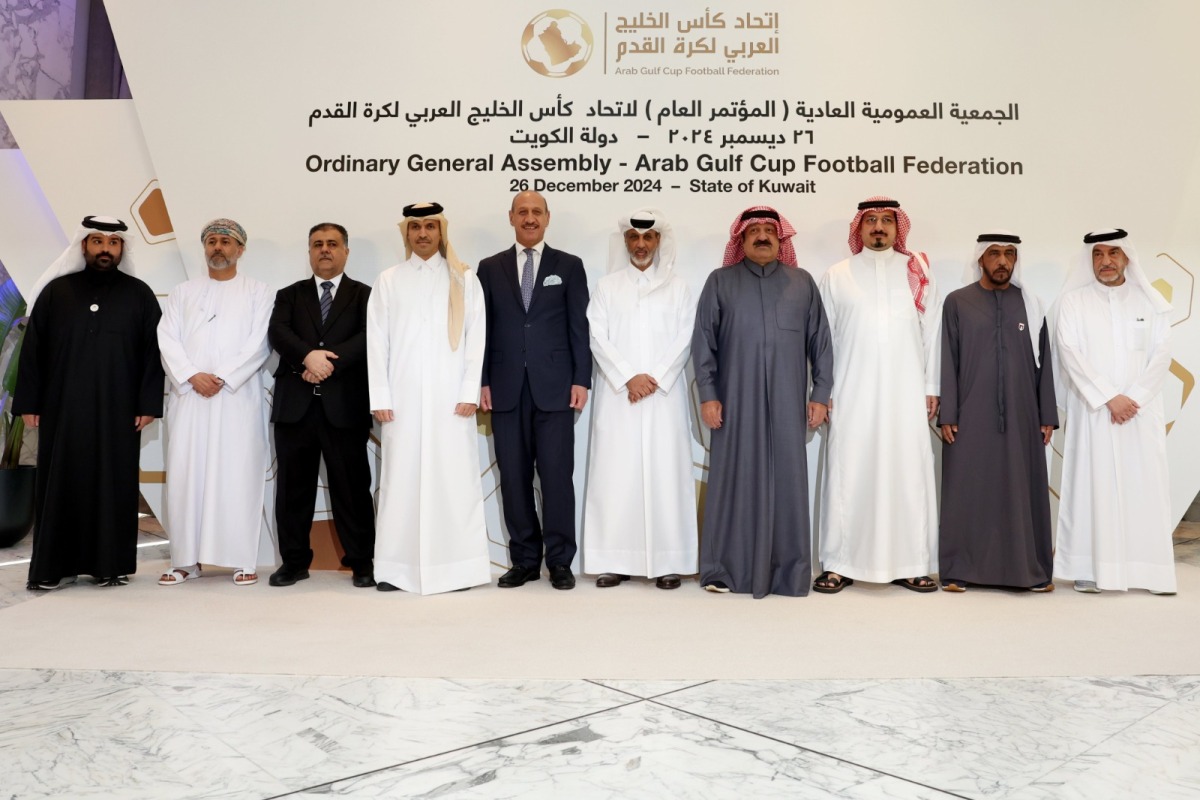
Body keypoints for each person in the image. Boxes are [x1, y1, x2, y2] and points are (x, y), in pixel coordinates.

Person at [15, 216, 164, 589]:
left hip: (119, 410)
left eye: (112, 244)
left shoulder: (140, 295)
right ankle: (53, 568)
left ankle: (108, 566)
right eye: (97, 242)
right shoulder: (57, 292)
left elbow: (152, 353)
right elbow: (33, 351)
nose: (105, 249)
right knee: (60, 481)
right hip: (63, 408)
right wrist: (30, 402)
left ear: (121, 249)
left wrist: (147, 404)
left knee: (113, 483)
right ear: (84, 246)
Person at [692, 206, 832, 598]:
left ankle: (788, 574)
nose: (763, 236)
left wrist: (820, 394)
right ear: (741, 239)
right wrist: (709, 395)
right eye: (753, 230)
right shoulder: (720, 282)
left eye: (770, 230)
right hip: (734, 401)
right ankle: (724, 571)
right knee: (732, 481)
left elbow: (821, 344)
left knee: (788, 483)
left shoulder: (801, 283)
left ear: (781, 238)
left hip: (789, 402)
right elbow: (704, 342)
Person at [815, 197, 941, 594]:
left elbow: (932, 333)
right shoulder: (837, 274)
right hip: (852, 392)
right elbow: (823, 341)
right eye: (871, 221)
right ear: (859, 228)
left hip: (906, 394)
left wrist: (931, 387)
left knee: (908, 475)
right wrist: (825, 391)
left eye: (887, 221)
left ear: (897, 227)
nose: (879, 228)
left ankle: (912, 563)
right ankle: (839, 563)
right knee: (848, 473)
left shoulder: (916, 271)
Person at [367, 203, 490, 594]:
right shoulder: (389, 279)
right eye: (415, 227)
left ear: (442, 232)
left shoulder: (464, 278)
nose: (422, 234)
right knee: (400, 482)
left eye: (430, 227)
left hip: (451, 400)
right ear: (406, 233)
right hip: (400, 401)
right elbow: (377, 341)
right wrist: (380, 395)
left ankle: (459, 571)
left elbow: (476, 339)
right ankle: (395, 570)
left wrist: (469, 390)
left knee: (454, 483)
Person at [477, 191, 591, 590]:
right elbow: (482, 329)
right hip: (506, 388)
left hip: (557, 387)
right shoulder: (489, 268)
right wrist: (482, 381)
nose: (529, 218)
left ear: (547, 218)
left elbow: (580, 326)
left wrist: (582, 378)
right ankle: (524, 560)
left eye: (536, 212)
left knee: (558, 476)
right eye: (522, 212)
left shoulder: (570, 266)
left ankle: (560, 561)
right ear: (510, 217)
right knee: (514, 476)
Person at [1054, 229, 1176, 594]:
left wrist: (1132, 397)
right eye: (1098, 254)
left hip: (1140, 411)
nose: (1105, 261)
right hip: (1095, 412)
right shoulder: (1074, 303)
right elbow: (1069, 352)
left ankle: (1149, 572)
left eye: (1113, 253)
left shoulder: (1151, 303)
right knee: (1093, 486)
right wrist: (1109, 397)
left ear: (1127, 258)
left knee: (1144, 487)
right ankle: (1090, 569)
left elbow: (1162, 355)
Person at [582, 209, 697, 590]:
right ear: (626, 242)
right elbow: (596, 336)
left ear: (659, 241)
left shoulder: (679, 287)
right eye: (634, 237)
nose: (642, 244)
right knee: (616, 476)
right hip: (620, 398)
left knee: (666, 475)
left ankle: (668, 562)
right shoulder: (607, 287)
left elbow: (685, 336)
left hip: (663, 398)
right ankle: (614, 560)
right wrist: (628, 376)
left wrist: (657, 377)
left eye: (649, 238)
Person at [938, 232, 1057, 592]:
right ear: (980, 260)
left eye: (1009, 254)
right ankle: (959, 570)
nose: (1002, 261)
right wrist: (948, 413)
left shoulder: (1031, 304)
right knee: (966, 488)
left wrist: (1046, 414)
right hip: (969, 414)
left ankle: (1030, 571)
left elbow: (1044, 363)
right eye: (994, 254)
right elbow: (947, 358)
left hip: (1023, 415)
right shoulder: (957, 302)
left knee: (1022, 490)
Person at [157, 219, 273, 586]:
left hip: (237, 398)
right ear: (204, 248)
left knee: (237, 474)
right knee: (185, 475)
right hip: (190, 397)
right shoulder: (182, 292)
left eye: (226, 241)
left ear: (241, 249)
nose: (218, 248)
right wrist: (192, 374)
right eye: (211, 241)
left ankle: (241, 559)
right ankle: (184, 561)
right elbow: (167, 339)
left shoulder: (259, 292)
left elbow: (260, 342)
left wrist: (221, 376)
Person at [268, 223, 376, 589]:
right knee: (293, 491)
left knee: (352, 488)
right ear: (309, 252)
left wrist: (326, 362)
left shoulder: (366, 295)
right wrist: (307, 358)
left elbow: (369, 336)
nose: (325, 250)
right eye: (317, 244)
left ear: (346, 251)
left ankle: (361, 562)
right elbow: (279, 333)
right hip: (295, 407)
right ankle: (294, 563)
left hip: (345, 406)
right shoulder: (289, 295)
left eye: (332, 244)